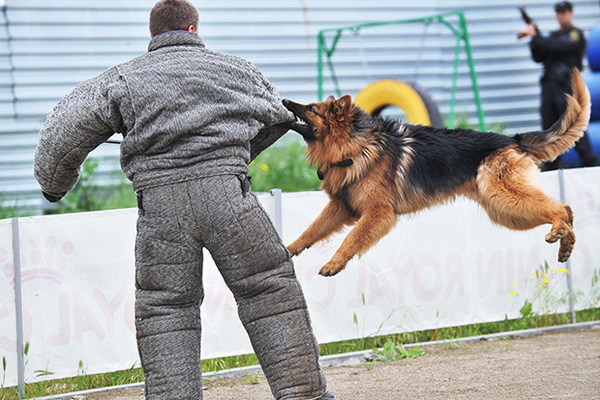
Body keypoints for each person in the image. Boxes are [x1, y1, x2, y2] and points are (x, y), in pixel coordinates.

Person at [33, 1, 336, 399]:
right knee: (269, 292)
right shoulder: (238, 69)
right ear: (194, 29)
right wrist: (235, 157)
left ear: (152, 35)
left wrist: (55, 186)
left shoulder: (122, 79)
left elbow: (62, 132)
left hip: (161, 210)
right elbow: (279, 117)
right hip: (230, 200)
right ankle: (305, 396)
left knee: (166, 310)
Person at [519, 0, 598, 170]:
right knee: (549, 131)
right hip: (549, 88)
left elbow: (555, 47)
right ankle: (551, 170)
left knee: (573, 127)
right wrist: (534, 38)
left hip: (566, 88)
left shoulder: (574, 35)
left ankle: (590, 166)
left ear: (570, 13)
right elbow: (539, 55)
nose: (561, 15)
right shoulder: (552, 36)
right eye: (559, 12)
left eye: (564, 12)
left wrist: (537, 36)